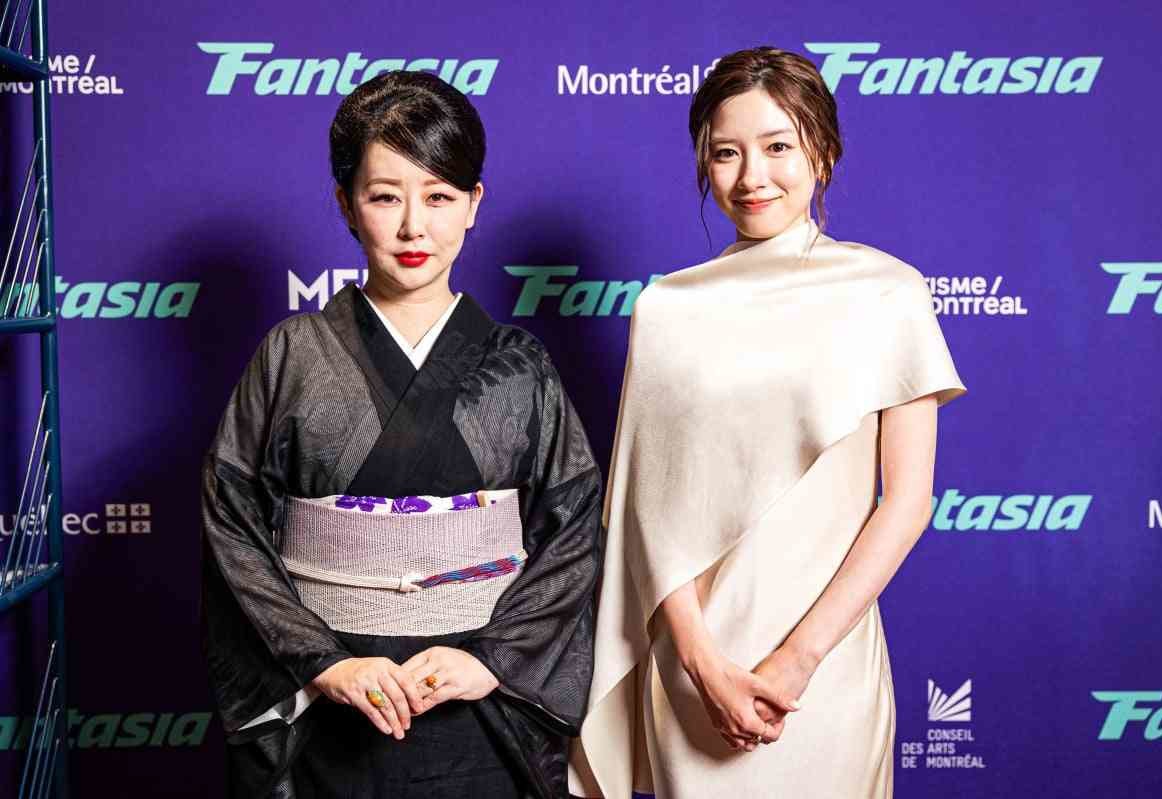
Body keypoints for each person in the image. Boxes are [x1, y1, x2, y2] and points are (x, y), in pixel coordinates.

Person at [569, 47, 965, 798]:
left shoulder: (888, 293)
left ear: (824, 150)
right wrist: (700, 664)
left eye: (778, 146)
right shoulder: (667, 308)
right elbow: (646, 514)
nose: (752, 176)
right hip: (696, 669)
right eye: (726, 153)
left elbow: (908, 501)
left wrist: (799, 660)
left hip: (826, 670)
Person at [201, 70, 603, 799]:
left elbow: (575, 527)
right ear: (346, 205)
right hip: (330, 708)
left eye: (439, 197)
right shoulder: (292, 354)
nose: (414, 226)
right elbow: (233, 525)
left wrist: (491, 659)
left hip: (477, 705)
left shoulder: (518, 365)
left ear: (474, 203)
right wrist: (325, 663)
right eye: (385, 196)